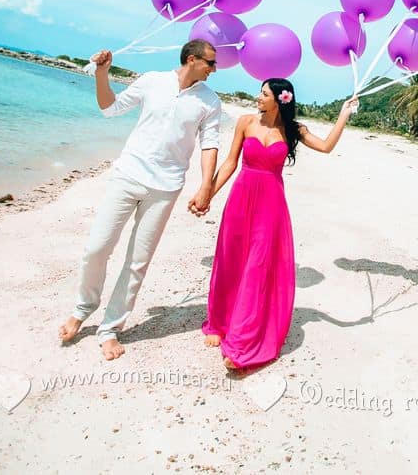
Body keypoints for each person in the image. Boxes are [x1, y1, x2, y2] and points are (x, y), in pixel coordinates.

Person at [57, 39, 223, 360]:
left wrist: (206, 186)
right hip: (128, 175)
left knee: (137, 262)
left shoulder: (210, 101)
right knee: (96, 248)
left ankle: (110, 328)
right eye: (210, 63)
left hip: (166, 187)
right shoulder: (152, 81)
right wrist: (102, 74)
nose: (214, 69)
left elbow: (210, 145)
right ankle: (83, 309)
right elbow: (110, 108)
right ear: (192, 59)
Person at [189, 78, 359, 371]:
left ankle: (242, 342)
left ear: (280, 100)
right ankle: (219, 322)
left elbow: (326, 146)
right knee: (232, 260)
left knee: (257, 267)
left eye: (264, 93)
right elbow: (230, 163)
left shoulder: (293, 129)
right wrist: (207, 194)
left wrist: (343, 114)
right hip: (241, 200)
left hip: (271, 207)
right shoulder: (245, 122)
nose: (258, 97)